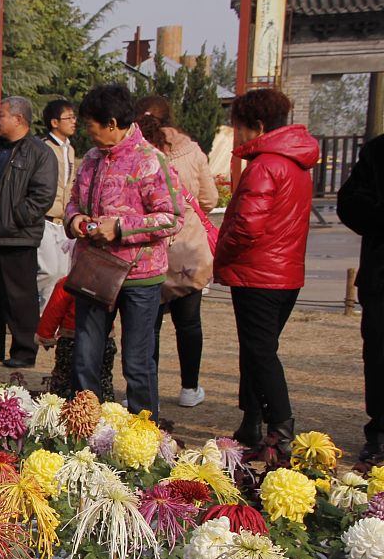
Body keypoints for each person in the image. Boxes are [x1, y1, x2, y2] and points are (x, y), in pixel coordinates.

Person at [66, 83, 182, 422]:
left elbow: (172, 217)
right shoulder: (90, 159)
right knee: (85, 356)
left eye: (91, 126)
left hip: (139, 277)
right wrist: (76, 220)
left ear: (113, 123)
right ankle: (86, 425)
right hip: (94, 271)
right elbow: (74, 200)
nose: (88, 133)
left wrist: (119, 228)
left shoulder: (150, 161)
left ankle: (143, 433)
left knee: (137, 360)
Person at [215, 88, 319, 462]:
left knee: (261, 353)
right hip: (285, 272)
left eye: (238, 128)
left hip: (259, 273)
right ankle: (251, 422)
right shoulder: (296, 164)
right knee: (257, 351)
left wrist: (221, 249)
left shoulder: (264, 166)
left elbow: (246, 226)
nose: (236, 135)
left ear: (256, 126)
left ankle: (281, 428)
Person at [136, 95, 220, 410]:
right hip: (187, 246)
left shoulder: (137, 150)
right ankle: (189, 387)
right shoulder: (192, 151)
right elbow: (209, 198)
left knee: (149, 323)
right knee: (189, 323)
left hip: (148, 246)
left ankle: (148, 386)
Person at [0, 96, 58, 368]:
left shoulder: (39, 153)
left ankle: (24, 351)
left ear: (18, 119)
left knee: (19, 297)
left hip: (16, 236)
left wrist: (16, 219)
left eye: (2, 115)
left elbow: (42, 197)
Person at [338, 133, 384, 469]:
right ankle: (380, 433)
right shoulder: (378, 152)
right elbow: (350, 204)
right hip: (382, 276)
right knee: (380, 356)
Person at [38, 276, 117, 401]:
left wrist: (45, 335)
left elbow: (54, 310)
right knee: (103, 378)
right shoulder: (111, 282)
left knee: (65, 379)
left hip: (72, 339)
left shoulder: (70, 282)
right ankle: (106, 406)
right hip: (104, 338)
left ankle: (65, 407)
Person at [38, 99, 78, 311]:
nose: (74, 121)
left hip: (63, 222)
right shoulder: (43, 148)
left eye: (74, 117)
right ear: (54, 122)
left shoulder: (69, 149)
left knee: (63, 275)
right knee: (48, 272)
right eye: (69, 117)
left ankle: (49, 322)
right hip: (43, 219)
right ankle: (36, 318)